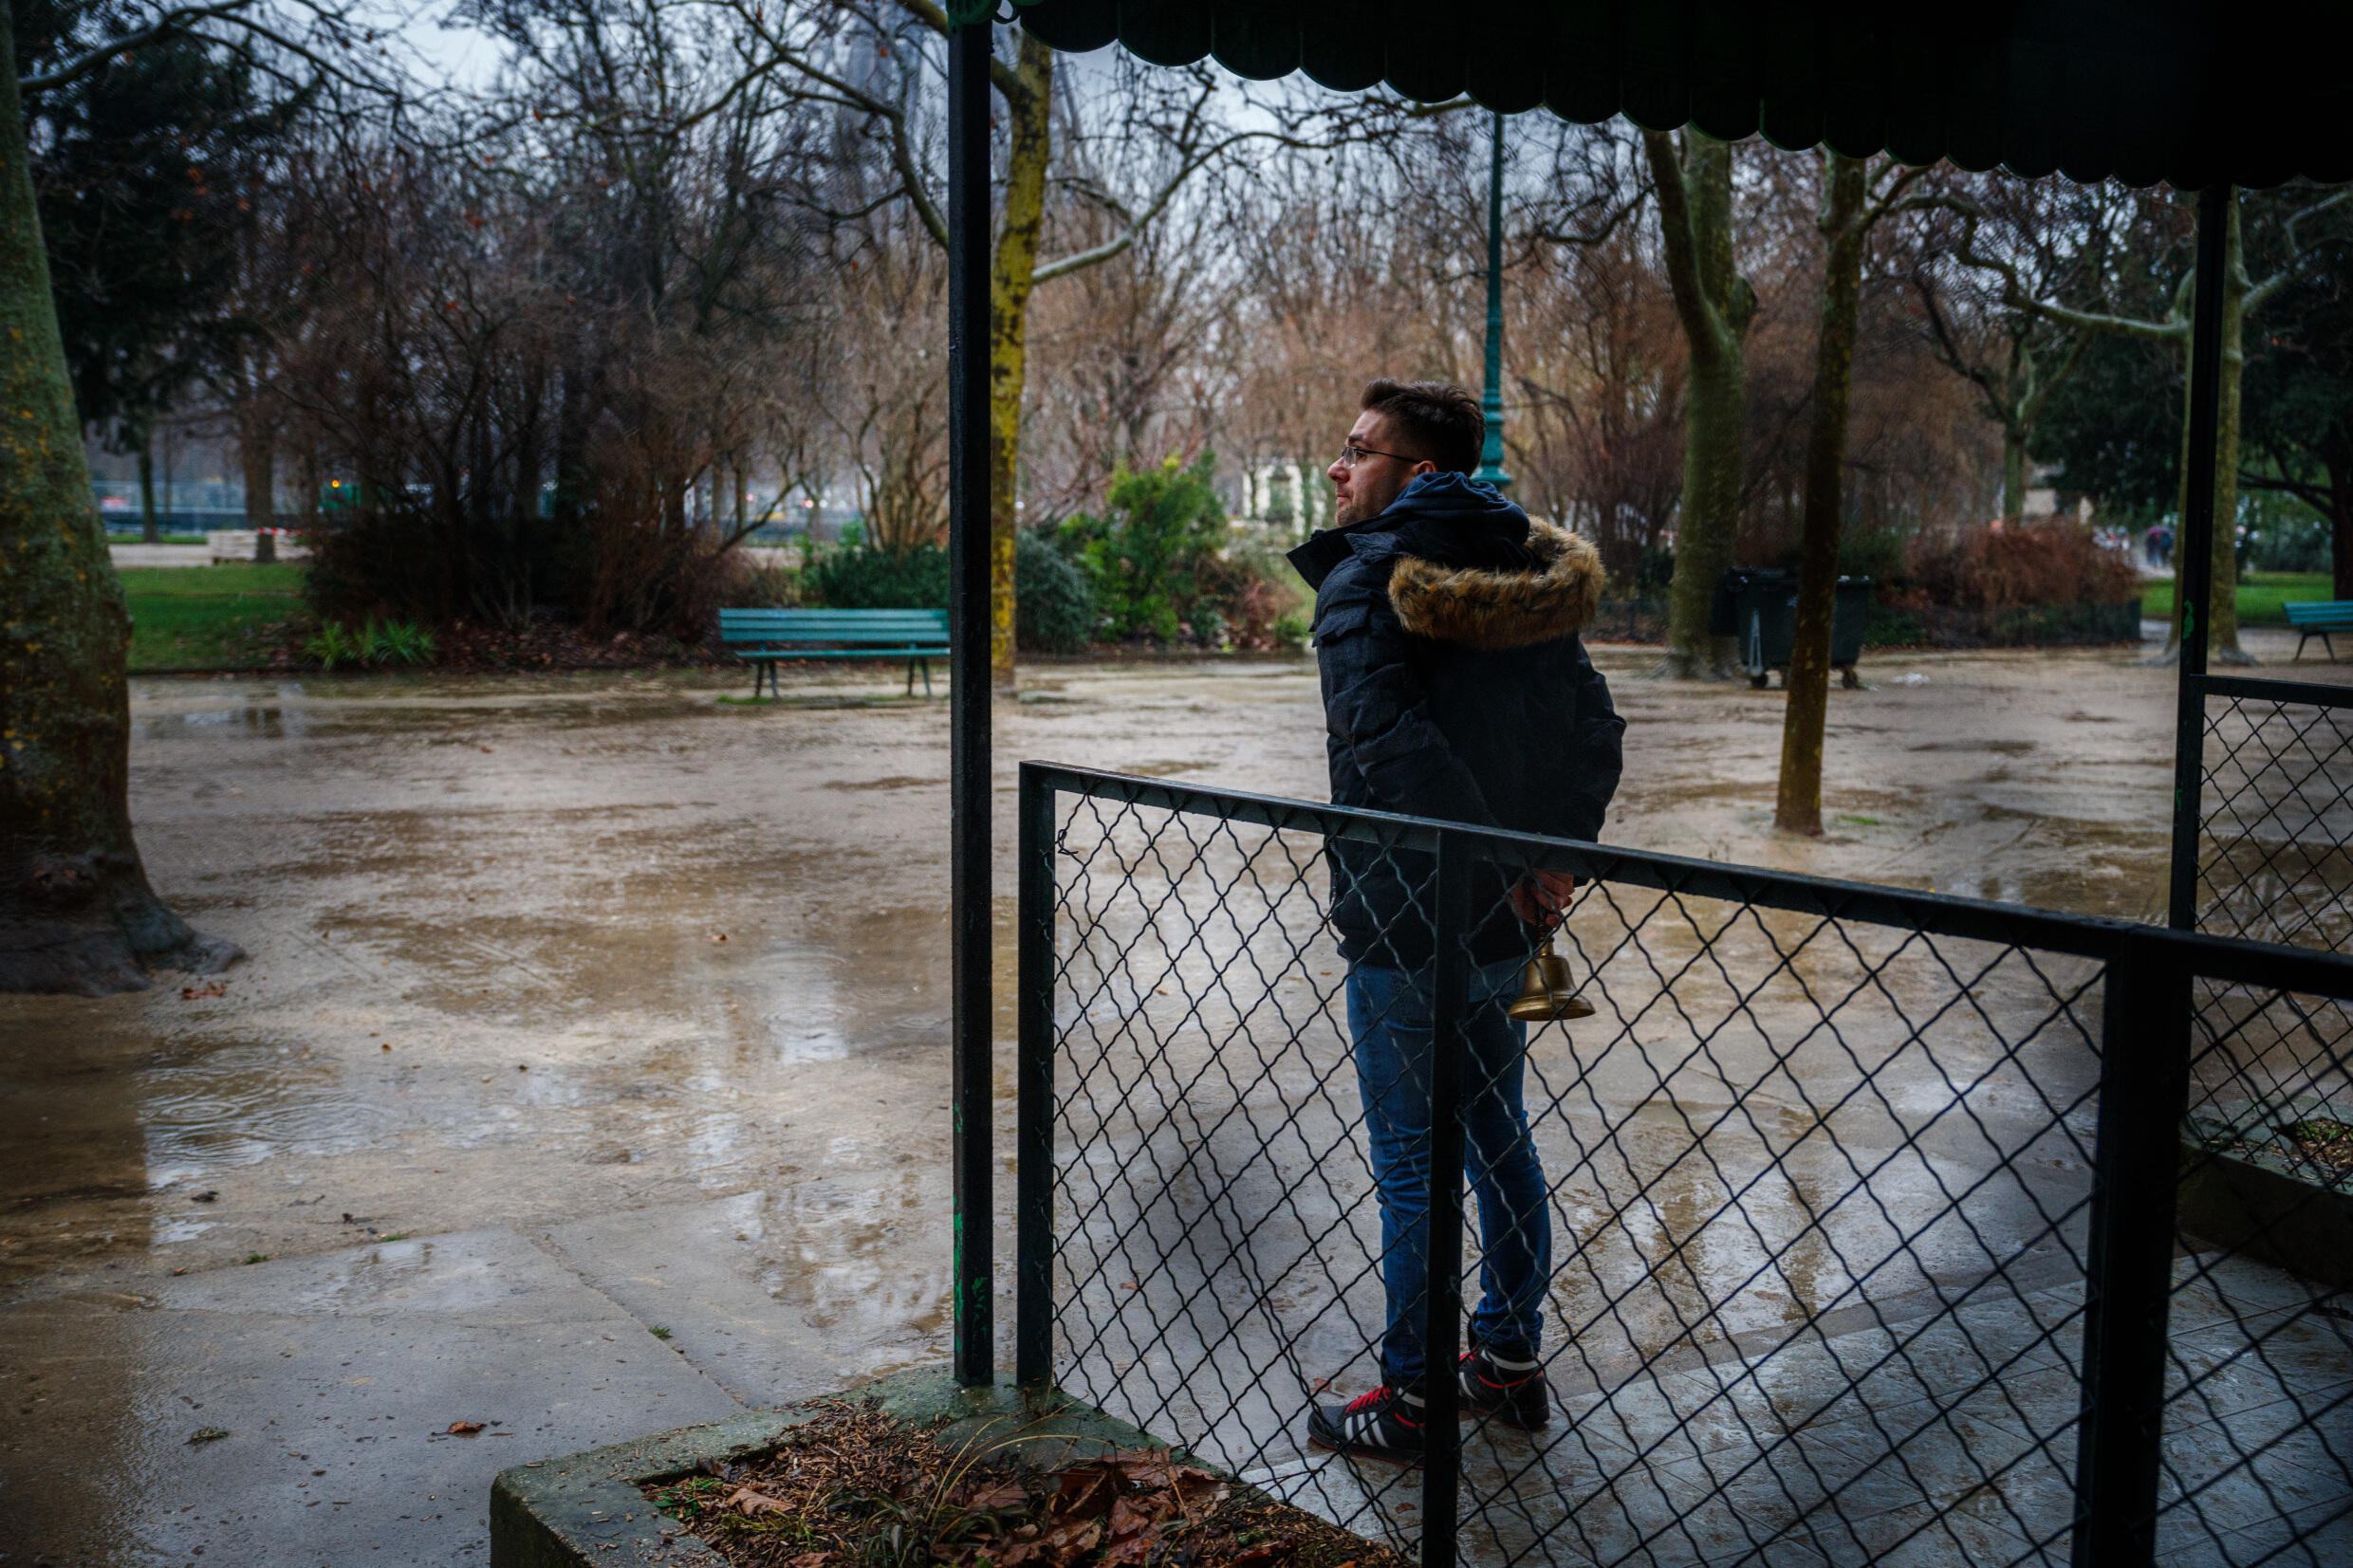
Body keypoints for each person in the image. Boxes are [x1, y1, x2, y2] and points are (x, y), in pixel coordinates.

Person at [1287, 378, 1624, 1464]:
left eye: (1356, 449)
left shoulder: (1363, 580)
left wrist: (1511, 866)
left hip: (1405, 919)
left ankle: (1413, 1400)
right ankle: (1507, 1359)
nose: (1336, 467)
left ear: (1418, 472)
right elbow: (1596, 730)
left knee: (1410, 1165)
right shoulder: (1523, 572)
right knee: (1496, 1138)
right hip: (1503, 928)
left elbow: (1391, 753)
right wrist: (1545, 863)